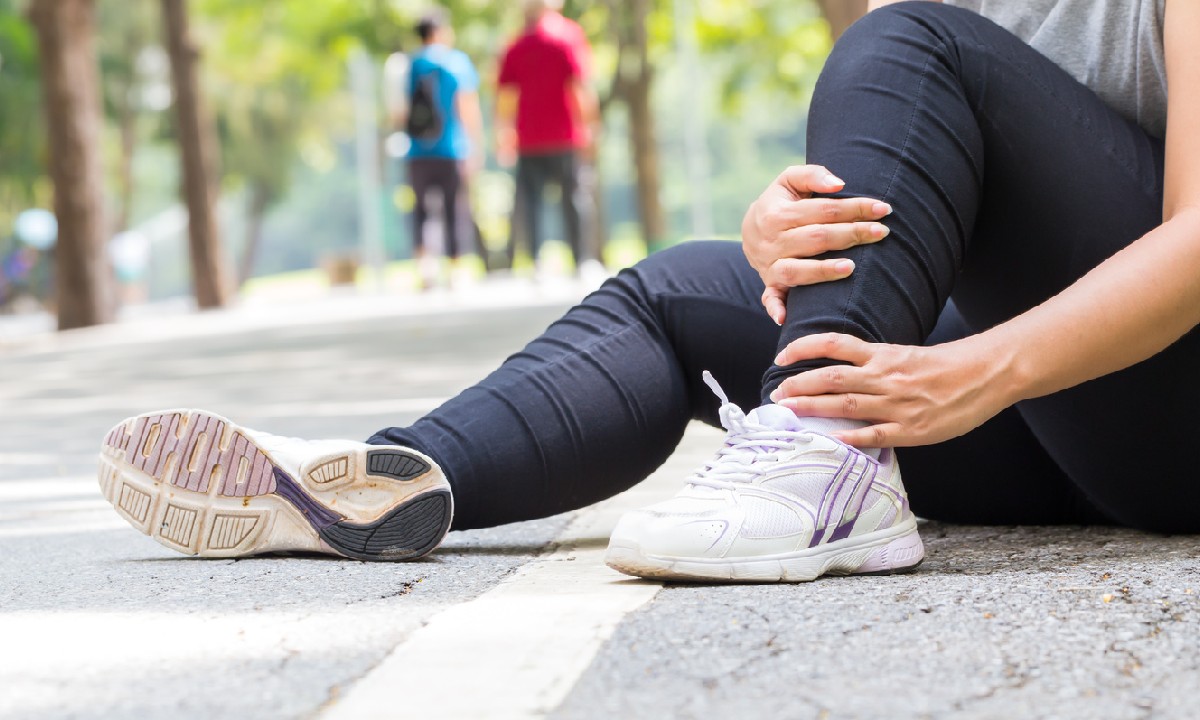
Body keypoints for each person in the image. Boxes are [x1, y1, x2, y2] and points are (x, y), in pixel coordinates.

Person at [98, 0, 1200, 582]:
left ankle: (818, 455)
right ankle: (387, 483)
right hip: (1045, 429)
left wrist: (982, 368)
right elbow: (908, 180)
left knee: (911, 43)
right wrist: (779, 228)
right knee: (675, 290)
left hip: (1168, 412)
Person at [495, 0, 602, 280]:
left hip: (528, 137)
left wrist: (504, 132)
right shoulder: (568, 37)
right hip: (565, 135)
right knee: (574, 198)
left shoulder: (515, 44)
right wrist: (590, 126)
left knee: (531, 202)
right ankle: (582, 259)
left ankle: (536, 261)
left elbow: (506, 96)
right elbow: (579, 86)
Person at [394, 10, 484, 290]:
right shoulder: (456, 62)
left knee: (421, 211)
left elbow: (399, 111)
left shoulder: (408, 65)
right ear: (440, 31)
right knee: (454, 208)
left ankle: (425, 269)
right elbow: (466, 106)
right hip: (452, 148)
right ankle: (455, 269)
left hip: (417, 151)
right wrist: (475, 145)